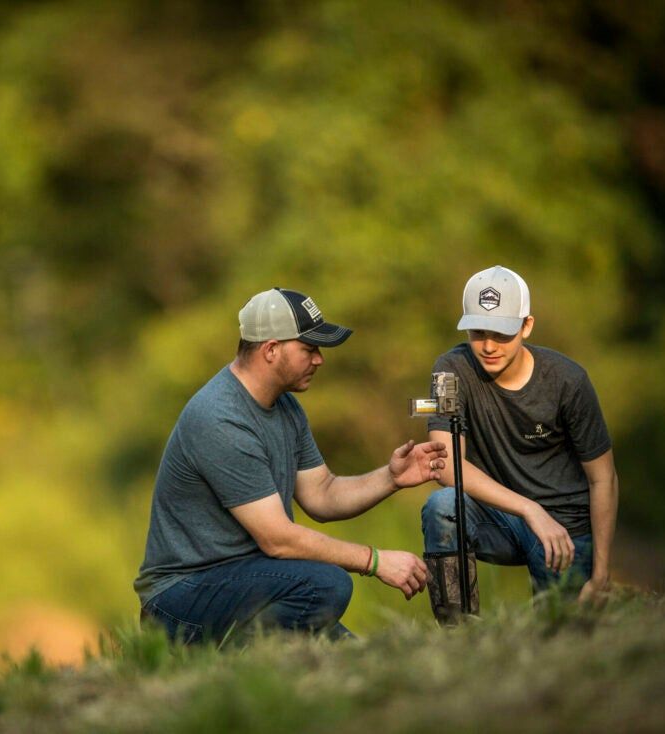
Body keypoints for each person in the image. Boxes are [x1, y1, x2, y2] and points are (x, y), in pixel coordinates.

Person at [135, 287, 446, 643]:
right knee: (327, 584)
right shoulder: (220, 418)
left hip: (248, 581)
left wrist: (391, 477)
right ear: (271, 350)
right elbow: (278, 539)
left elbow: (322, 495)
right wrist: (375, 561)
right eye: (309, 349)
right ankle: (227, 657)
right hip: (180, 599)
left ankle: (265, 652)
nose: (319, 360)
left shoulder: (286, 408)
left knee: (355, 654)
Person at [421, 266, 619, 623]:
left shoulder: (569, 381)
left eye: (502, 332)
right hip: (500, 517)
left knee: (561, 630)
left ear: (526, 326)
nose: (489, 345)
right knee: (442, 505)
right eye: (478, 332)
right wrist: (529, 509)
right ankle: (457, 633)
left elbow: (603, 478)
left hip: (565, 528)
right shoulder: (449, 371)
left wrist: (602, 573)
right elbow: (445, 464)